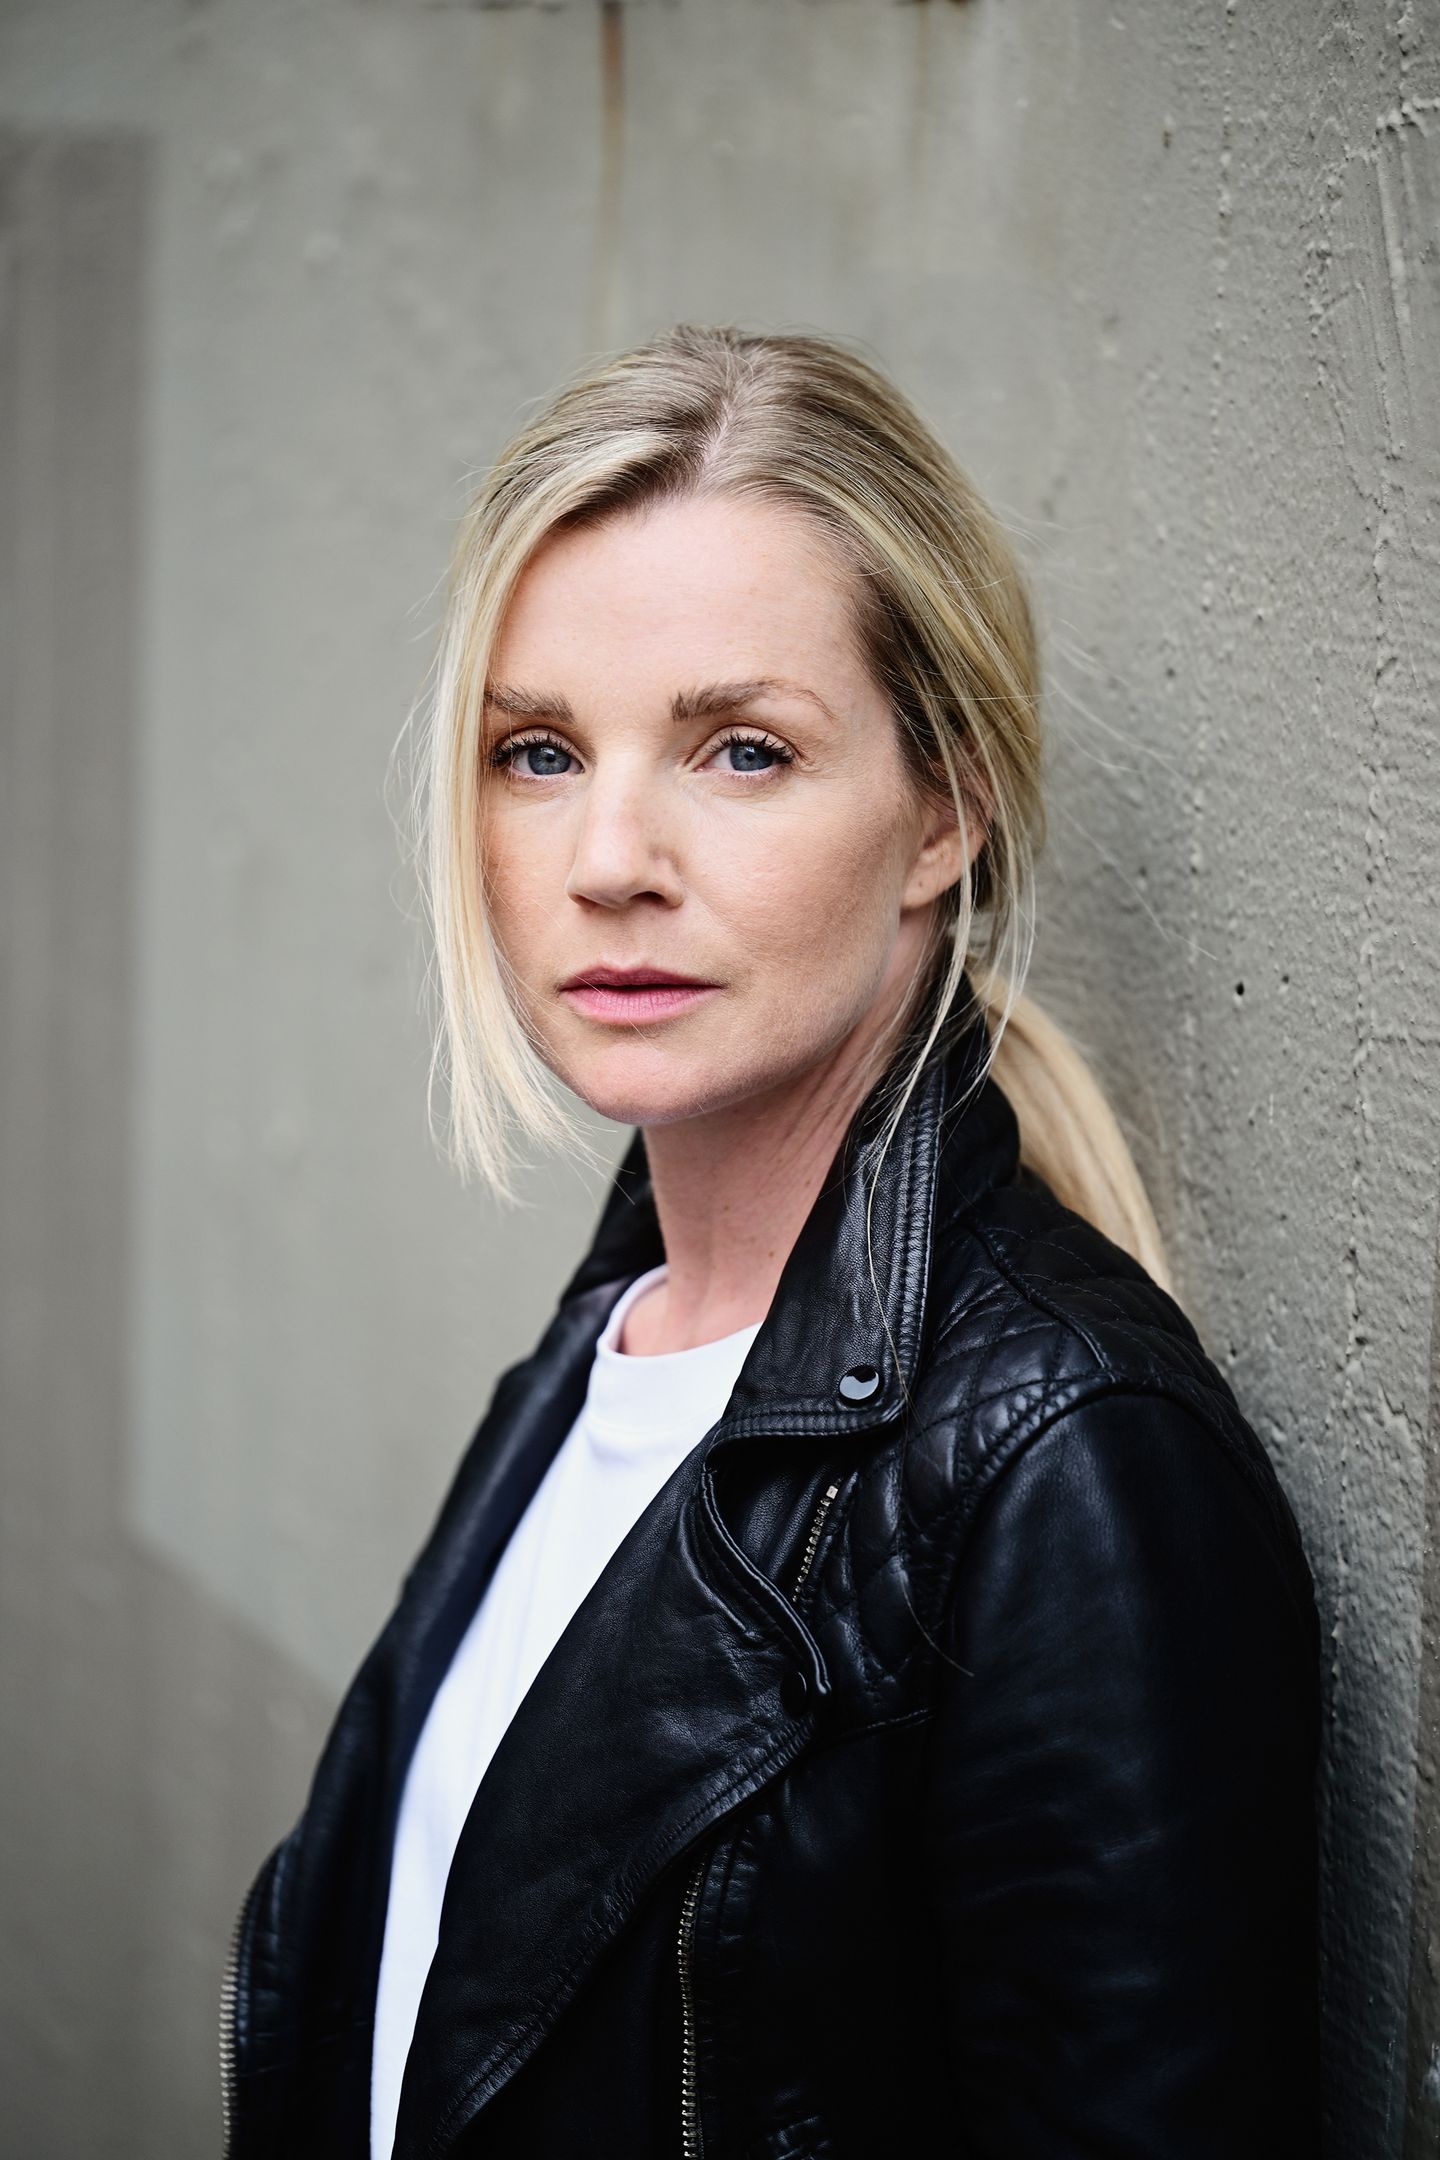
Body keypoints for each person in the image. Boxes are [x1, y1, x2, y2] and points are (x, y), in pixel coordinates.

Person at [219, 324, 1323, 2159]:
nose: (609, 858)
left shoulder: (1070, 1467)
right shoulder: (600, 1357)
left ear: (943, 808)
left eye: (741, 750)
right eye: (538, 752)